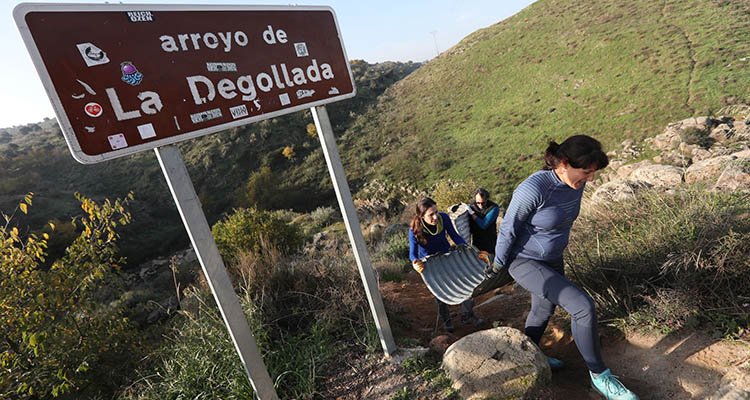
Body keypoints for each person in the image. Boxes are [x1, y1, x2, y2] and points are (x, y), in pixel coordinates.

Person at [486, 135, 638, 400]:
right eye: (586, 172)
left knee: (543, 308)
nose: (590, 179)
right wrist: (499, 264)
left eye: (593, 173)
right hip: (525, 260)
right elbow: (508, 228)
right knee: (582, 306)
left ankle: (530, 356)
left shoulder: (575, 183)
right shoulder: (533, 188)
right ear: (565, 163)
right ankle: (600, 377)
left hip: (553, 258)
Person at [409, 197, 486, 332]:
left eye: (436, 212)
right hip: (431, 264)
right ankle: (447, 321)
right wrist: (415, 262)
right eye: (430, 214)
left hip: (448, 257)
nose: (435, 216)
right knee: (440, 293)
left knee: (466, 283)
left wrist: (467, 248)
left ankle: (467, 315)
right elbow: (412, 253)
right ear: (421, 216)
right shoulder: (415, 229)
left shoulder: (443, 218)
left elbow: (455, 236)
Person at [467, 188, 500, 255]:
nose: (480, 205)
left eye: (483, 203)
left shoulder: (494, 208)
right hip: (476, 241)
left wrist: (472, 214)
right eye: (478, 203)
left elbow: (484, 225)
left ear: (487, 199)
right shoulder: (472, 206)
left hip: (490, 242)